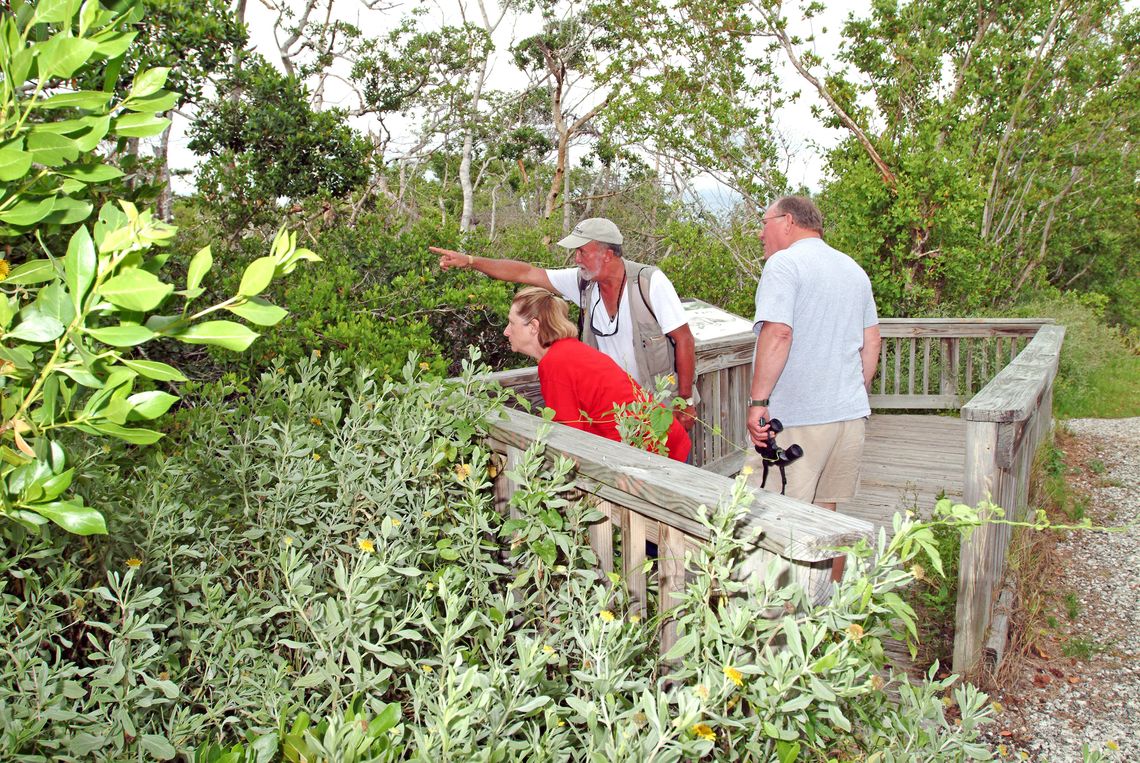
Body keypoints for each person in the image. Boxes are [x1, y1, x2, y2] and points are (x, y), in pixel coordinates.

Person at [431, 217, 697, 430]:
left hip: (658, 408)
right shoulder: (584, 283)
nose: (576, 259)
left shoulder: (649, 283)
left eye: (582, 251)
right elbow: (527, 273)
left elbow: (683, 339)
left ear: (607, 254)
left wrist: (684, 399)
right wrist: (470, 261)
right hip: (614, 414)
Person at [744, 196, 881, 579]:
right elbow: (872, 341)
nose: (761, 232)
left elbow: (778, 332)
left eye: (765, 222)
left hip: (798, 422)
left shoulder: (784, 264)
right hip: (848, 419)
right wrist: (853, 392)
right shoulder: (852, 269)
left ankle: (773, 623)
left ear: (787, 221)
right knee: (825, 520)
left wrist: (758, 402)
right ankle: (824, 610)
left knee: (775, 519)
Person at [504, 287, 690, 462]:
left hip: (657, 454)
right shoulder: (567, 351)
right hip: (662, 442)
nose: (506, 331)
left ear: (533, 327)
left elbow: (570, 440)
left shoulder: (555, 363)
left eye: (512, 323)